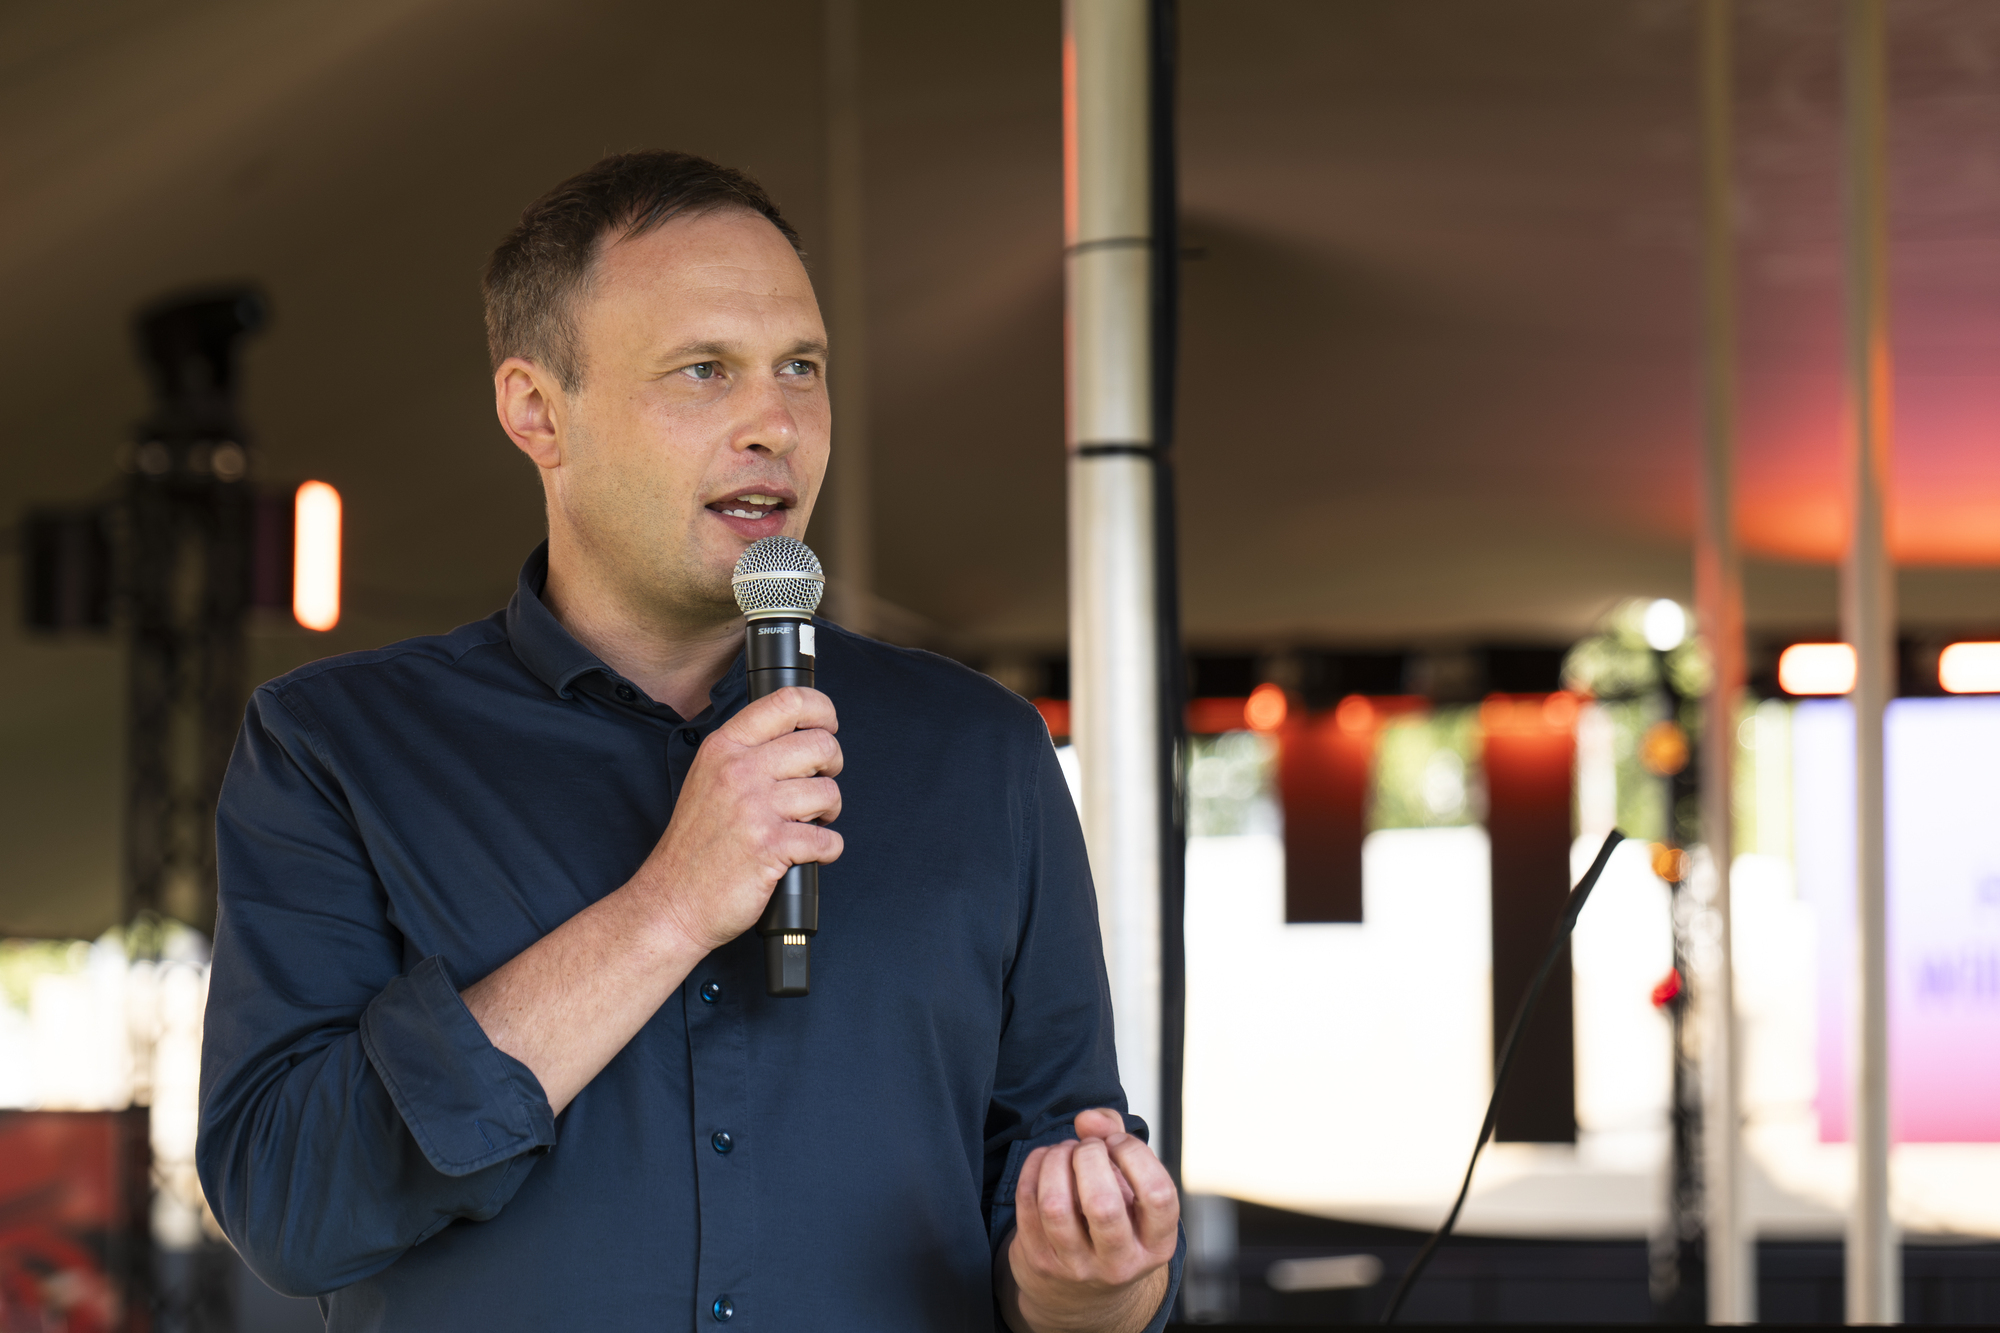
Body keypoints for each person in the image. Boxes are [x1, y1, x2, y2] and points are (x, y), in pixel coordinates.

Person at [197, 151, 1183, 1332]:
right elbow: (290, 1206)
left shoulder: (981, 754)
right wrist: (668, 905)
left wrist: (1094, 1285)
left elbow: (1059, 1224)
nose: (773, 422)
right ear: (535, 411)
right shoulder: (335, 746)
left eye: (801, 369)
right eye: (703, 369)